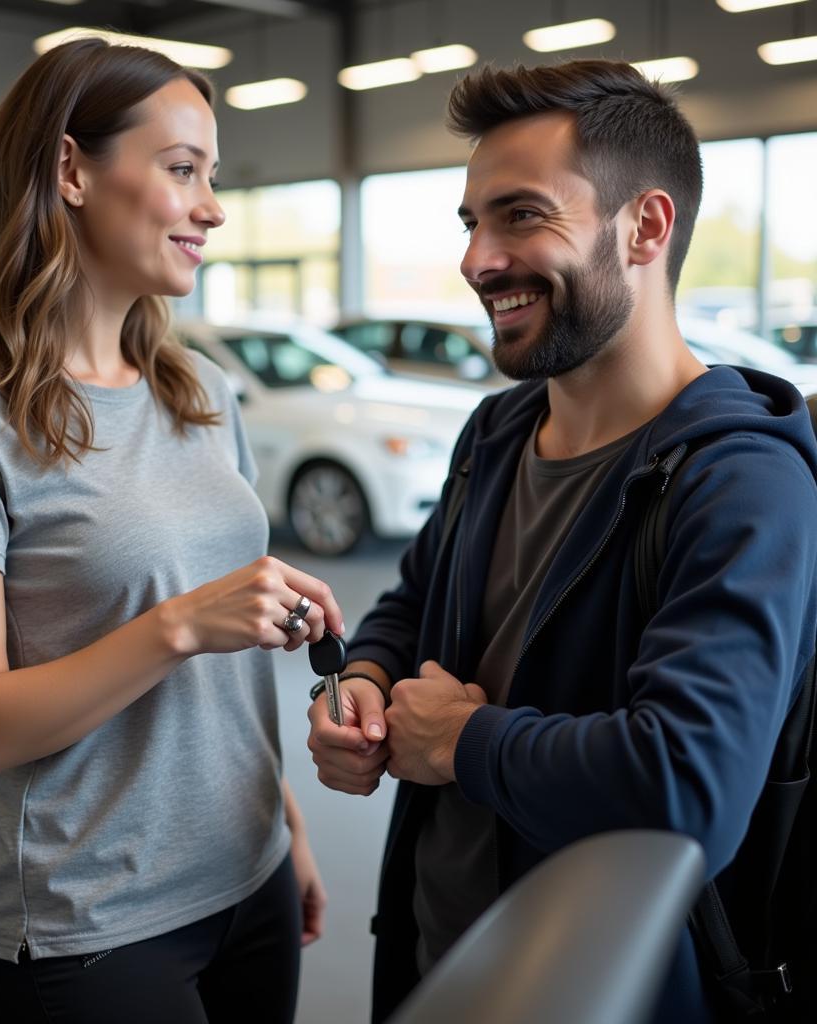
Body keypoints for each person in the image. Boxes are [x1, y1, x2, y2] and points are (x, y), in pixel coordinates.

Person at [306, 59, 817, 1022]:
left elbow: (689, 786)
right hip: (437, 956)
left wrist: (463, 743)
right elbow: (415, 600)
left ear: (646, 229)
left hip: (609, 989)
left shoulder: (741, 483)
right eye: (471, 224)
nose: (477, 259)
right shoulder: (495, 434)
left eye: (522, 216)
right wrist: (367, 688)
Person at [0, 38, 340, 1024]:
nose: (212, 207)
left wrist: (287, 826)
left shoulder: (201, 390)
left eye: (210, 177)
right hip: (96, 925)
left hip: (249, 871)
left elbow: (225, 673)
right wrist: (181, 621)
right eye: (183, 170)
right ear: (70, 170)